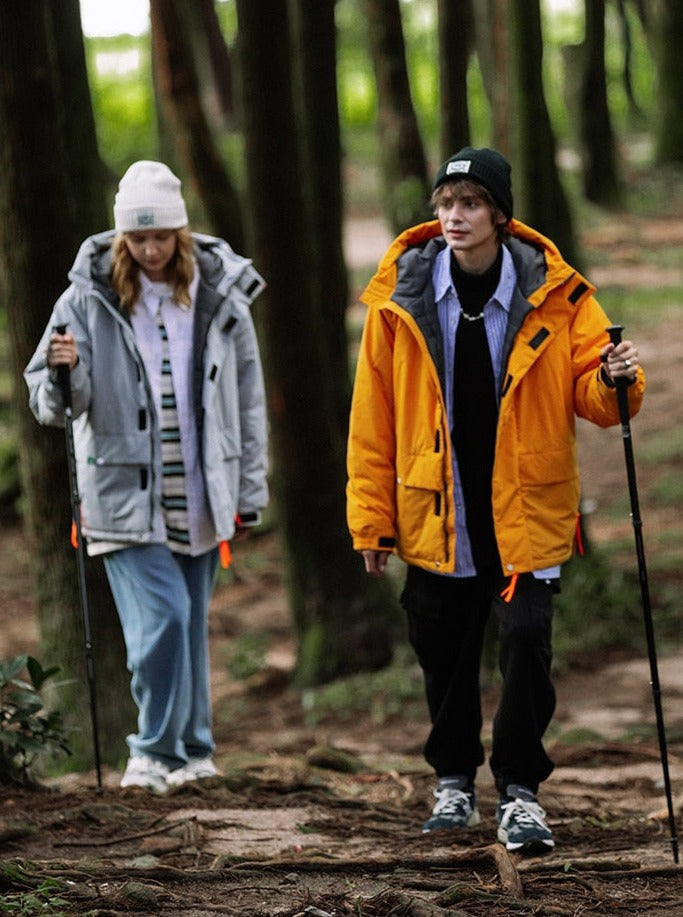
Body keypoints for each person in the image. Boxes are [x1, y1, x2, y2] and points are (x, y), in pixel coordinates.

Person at [346, 147, 645, 852]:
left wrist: (614, 380)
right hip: (436, 508)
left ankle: (518, 791)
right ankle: (452, 779)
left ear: (499, 214)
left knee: (523, 643)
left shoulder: (556, 293)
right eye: (445, 203)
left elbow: (595, 398)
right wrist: (370, 519)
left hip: (526, 506)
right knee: (443, 651)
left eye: (470, 203)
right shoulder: (400, 299)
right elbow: (371, 417)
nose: (453, 216)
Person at [25, 161, 269, 793]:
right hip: (122, 494)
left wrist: (249, 491)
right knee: (160, 622)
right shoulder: (86, 298)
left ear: (181, 233)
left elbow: (248, 401)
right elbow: (52, 403)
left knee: (187, 624)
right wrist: (64, 369)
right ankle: (153, 750)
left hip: (203, 487)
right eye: (138, 239)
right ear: (121, 240)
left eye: (161, 236)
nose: (151, 250)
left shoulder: (221, 296)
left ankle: (193, 751)